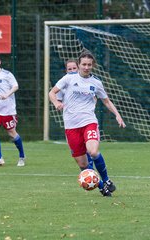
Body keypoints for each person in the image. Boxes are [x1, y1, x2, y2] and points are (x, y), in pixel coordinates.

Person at [49, 51, 126, 197]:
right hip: (71, 126)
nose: (86, 67)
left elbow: (106, 100)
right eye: (84, 64)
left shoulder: (96, 82)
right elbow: (51, 92)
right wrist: (56, 102)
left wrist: (117, 115)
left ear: (93, 66)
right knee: (84, 165)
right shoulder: (68, 79)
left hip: (88, 122)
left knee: (93, 151)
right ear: (78, 65)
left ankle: (106, 180)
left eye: (89, 65)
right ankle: (102, 187)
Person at [0, 53, 26, 167]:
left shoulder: (7, 74)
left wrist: (7, 94)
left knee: (12, 134)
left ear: (0, 62)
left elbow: (15, 86)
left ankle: (22, 156)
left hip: (8, 110)